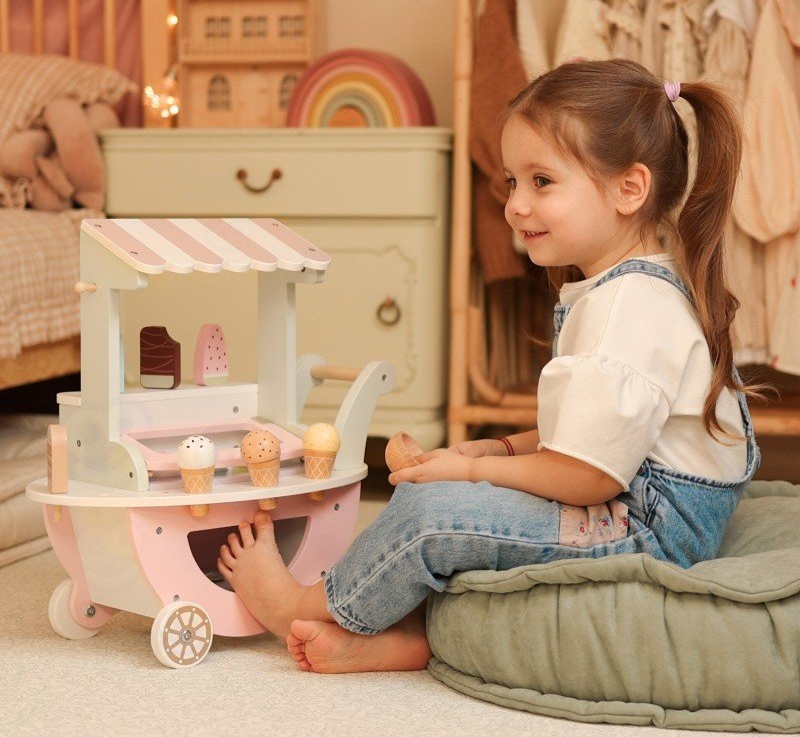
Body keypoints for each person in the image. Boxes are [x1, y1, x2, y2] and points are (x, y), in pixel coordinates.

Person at [217, 59, 761, 674]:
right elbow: (598, 438)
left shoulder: (625, 311)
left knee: (432, 515)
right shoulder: (630, 286)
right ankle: (408, 633)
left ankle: (304, 603)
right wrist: (500, 450)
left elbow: (590, 477)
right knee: (468, 500)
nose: (515, 205)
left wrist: (476, 478)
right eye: (511, 182)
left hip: (647, 528)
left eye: (542, 182)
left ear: (629, 190)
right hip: (633, 498)